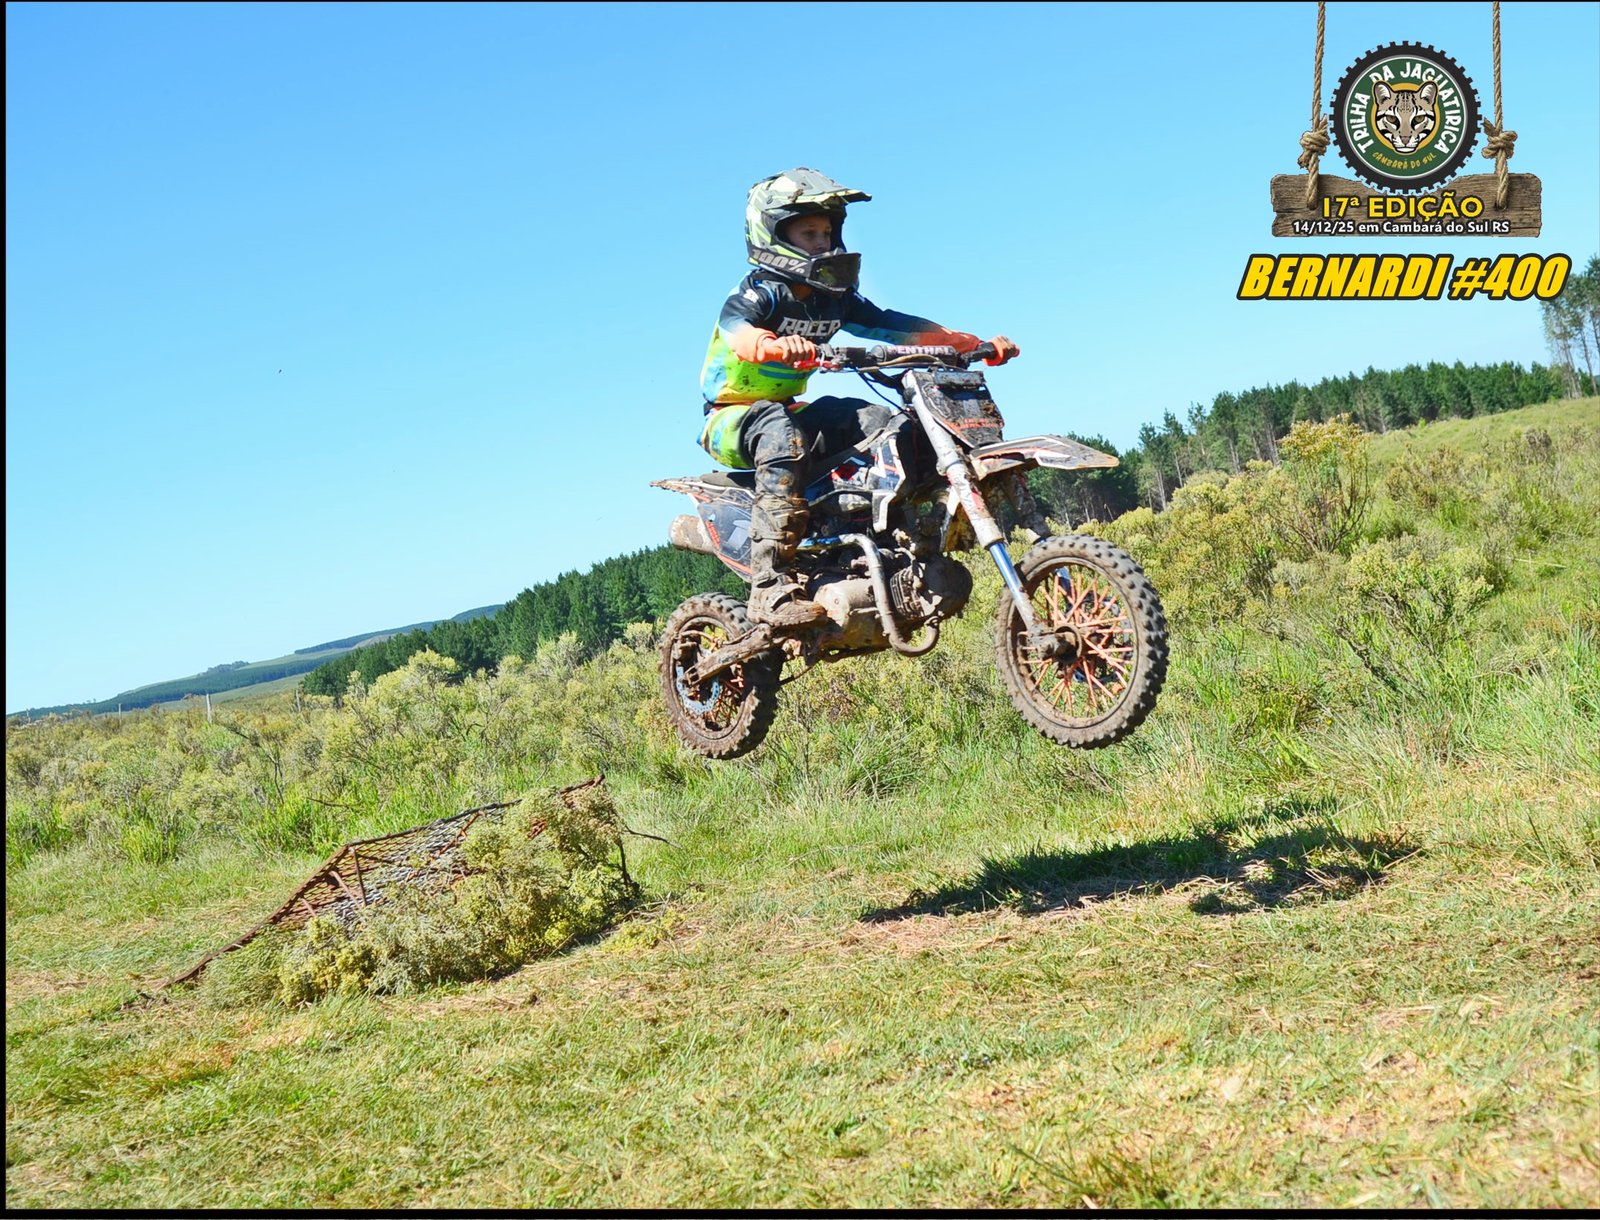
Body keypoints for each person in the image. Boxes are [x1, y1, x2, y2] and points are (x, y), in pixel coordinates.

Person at [698, 167, 1019, 628]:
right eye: (809, 233)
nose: (822, 243)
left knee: (881, 424)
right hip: (731, 418)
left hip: (792, 411)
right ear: (773, 234)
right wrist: (775, 345)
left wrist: (969, 343)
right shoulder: (758, 293)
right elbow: (740, 335)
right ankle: (769, 586)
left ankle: (892, 542)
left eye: (827, 233)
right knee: (779, 431)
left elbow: (893, 326)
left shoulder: (834, 298)